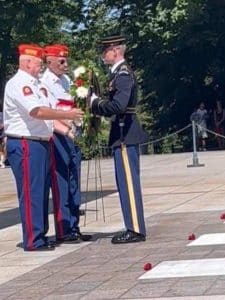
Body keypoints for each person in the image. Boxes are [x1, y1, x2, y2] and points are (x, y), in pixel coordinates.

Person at [3, 44, 84, 251]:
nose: (41, 67)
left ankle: (41, 234)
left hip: (40, 141)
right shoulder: (20, 84)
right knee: (32, 192)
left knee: (40, 191)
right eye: (39, 63)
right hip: (25, 142)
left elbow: (49, 113)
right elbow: (37, 111)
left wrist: (67, 129)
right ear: (27, 62)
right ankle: (33, 239)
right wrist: (68, 116)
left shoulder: (36, 84)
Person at [90, 35, 148, 244]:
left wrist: (95, 104)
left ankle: (135, 229)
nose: (103, 54)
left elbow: (118, 106)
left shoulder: (122, 75)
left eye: (105, 50)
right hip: (123, 131)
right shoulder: (118, 74)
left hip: (125, 132)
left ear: (115, 51)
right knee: (125, 182)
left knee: (129, 184)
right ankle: (133, 226)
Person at [41, 44, 91, 243]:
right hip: (58, 135)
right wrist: (68, 127)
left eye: (66, 60)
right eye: (61, 61)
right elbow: (52, 111)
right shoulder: (45, 82)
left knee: (74, 182)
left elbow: (73, 103)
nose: (65, 64)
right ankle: (64, 229)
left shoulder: (67, 80)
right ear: (49, 61)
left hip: (73, 133)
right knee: (61, 181)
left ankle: (74, 225)